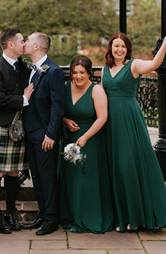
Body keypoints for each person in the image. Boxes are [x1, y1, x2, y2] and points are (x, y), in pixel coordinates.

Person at [102, 32, 166, 231]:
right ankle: (121, 216)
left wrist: (165, 44)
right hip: (110, 123)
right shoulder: (105, 70)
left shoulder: (133, 65)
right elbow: (99, 96)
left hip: (128, 120)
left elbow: (153, 65)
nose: (119, 49)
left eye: (123, 46)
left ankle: (135, 217)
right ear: (110, 48)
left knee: (128, 167)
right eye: (116, 46)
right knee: (115, 169)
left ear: (127, 49)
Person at [0, 29, 34, 234]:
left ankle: (10, 213)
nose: (25, 44)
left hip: (18, 125)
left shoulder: (24, 66)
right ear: (11, 44)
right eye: (22, 41)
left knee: (14, 171)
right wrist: (23, 99)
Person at [59, 55, 113, 234]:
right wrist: (66, 120)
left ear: (89, 73)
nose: (78, 76)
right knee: (71, 179)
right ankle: (72, 216)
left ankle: (89, 218)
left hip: (91, 140)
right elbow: (59, 111)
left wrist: (86, 137)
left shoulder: (96, 90)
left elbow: (103, 117)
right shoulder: (66, 87)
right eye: (74, 72)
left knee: (87, 180)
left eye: (82, 72)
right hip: (69, 139)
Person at [22, 32, 66, 235]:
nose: (25, 43)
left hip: (45, 134)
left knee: (47, 176)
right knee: (36, 176)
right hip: (30, 132)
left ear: (37, 47)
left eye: (28, 41)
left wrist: (51, 134)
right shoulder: (30, 70)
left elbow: (58, 107)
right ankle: (42, 213)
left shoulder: (54, 71)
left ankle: (51, 218)